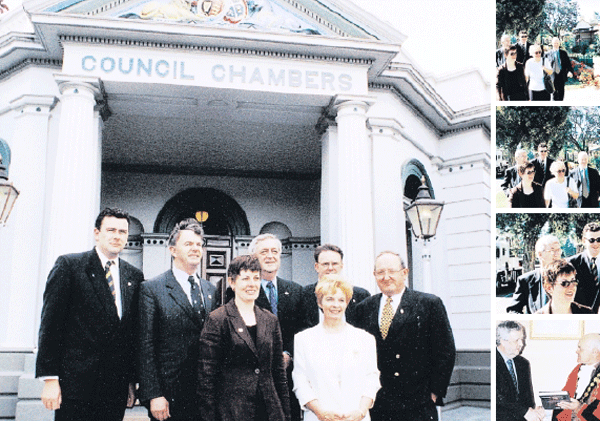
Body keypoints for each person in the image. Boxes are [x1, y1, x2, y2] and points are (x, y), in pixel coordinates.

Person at [36, 208, 144, 421]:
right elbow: (51, 324)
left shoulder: (134, 275)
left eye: (122, 231)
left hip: (114, 387)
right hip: (76, 386)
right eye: (111, 230)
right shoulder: (70, 266)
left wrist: (131, 381)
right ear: (97, 233)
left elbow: (131, 334)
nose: (117, 236)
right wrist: (50, 379)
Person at [355, 251, 455, 421]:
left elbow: (445, 351)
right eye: (380, 272)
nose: (386, 277)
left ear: (404, 273)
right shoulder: (364, 308)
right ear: (374, 275)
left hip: (417, 403)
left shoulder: (428, 304)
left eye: (391, 271)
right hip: (379, 403)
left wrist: (433, 393)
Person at [137, 219, 217, 421]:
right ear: (172, 250)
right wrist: (153, 393)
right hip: (169, 397)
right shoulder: (152, 289)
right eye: (189, 244)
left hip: (206, 395)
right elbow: (145, 345)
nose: (195, 249)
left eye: (199, 244)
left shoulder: (210, 290)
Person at [198, 255, 291, 421]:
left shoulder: (270, 319)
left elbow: (278, 373)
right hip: (231, 412)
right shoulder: (218, 319)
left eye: (256, 278)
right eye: (245, 278)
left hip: (269, 411)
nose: (252, 284)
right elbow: (207, 377)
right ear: (232, 282)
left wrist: (285, 414)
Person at [293, 275, 380, 421]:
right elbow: (301, 381)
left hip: (356, 417)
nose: (336, 305)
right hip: (318, 417)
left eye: (341, 300)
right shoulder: (303, 339)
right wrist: (321, 412)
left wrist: (360, 411)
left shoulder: (365, 339)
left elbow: (371, 379)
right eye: (330, 299)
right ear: (320, 302)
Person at [300, 244, 370, 329]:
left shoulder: (361, 296)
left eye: (335, 264)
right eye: (325, 264)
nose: (330, 268)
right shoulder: (303, 295)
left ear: (341, 266)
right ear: (317, 267)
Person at [496, 321, 544, 421]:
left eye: (521, 339)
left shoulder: (523, 364)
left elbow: (528, 399)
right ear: (502, 341)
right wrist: (525, 412)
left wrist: (534, 410)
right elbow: (499, 398)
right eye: (516, 340)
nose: (521, 344)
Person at [507, 235, 562, 314]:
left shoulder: (569, 278)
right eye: (552, 251)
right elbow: (513, 310)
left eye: (559, 250)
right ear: (540, 254)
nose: (557, 254)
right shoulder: (526, 280)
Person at [553, 334, 600, 421]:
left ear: (595, 352)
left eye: (580, 348)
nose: (576, 351)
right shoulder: (577, 369)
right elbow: (566, 393)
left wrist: (579, 407)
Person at [567, 222, 600, 312]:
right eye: (592, 240)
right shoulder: (572, 263)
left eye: (599, 239)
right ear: (583, 240)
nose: (596, 244)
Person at [545, 37, 574, 101]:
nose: (556, 44)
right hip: (552, 75)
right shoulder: (547, 54)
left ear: (559, 43)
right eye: (554, 43)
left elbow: (568, 64)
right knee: (554, 93)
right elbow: (545, 65)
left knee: (561, 93)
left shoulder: (563, 53)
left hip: (561, 74)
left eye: (557, 43)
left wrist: (570, 71)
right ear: (552, 43)